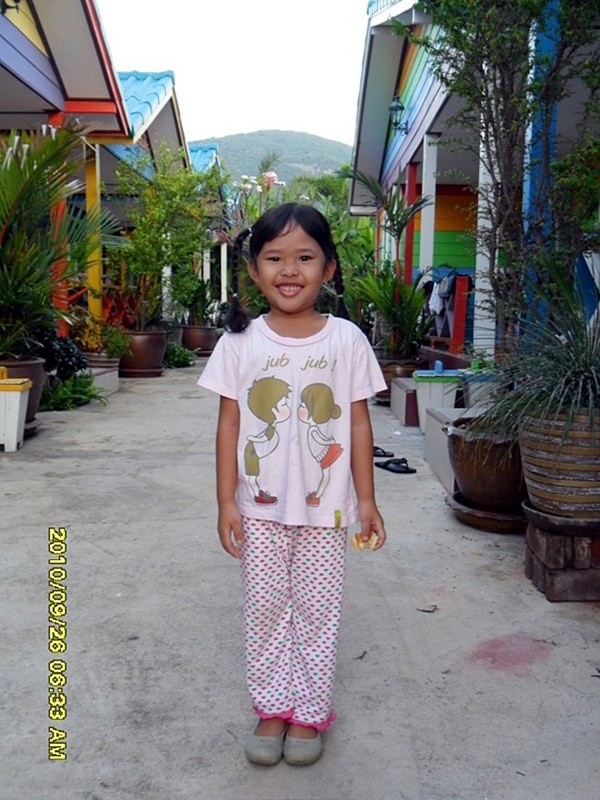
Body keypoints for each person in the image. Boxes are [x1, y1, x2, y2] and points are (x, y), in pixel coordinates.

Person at [198, 202, 387, 767]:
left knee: (316, 612)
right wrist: (225, 501)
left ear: (328, 268)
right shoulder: (240, 343)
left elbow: (358, 424)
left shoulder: (346, 340)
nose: (289, 270)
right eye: (274, 258)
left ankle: (308, 713)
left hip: (326, 512)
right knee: (264, 611)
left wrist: (367, 500)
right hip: (257, 511)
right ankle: (272, 707)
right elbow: (228, 425)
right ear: (253, 270)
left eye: (304, 257)